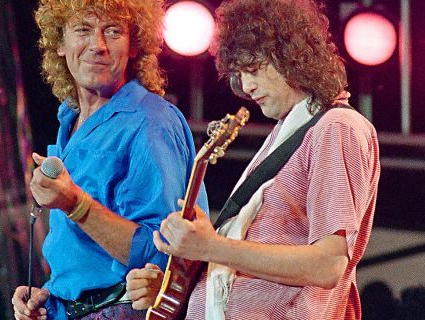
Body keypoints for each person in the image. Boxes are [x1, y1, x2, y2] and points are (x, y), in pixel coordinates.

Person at [125, 0, 380, 319]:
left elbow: (328, 265)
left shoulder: (335, 127)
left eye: (254, 69)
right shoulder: (287, 133)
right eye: (239, 74)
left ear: (292, 56)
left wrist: (211, 247)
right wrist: (173, 286)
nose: (247, 87)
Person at [11, 0, 208, 319]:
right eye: (83, 30)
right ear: (59, 43)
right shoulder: (70, 118)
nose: (98, 45)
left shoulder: (150, 122)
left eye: (113, 31)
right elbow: (87, 261)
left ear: (134, 46)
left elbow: (170, 256)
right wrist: (51, 296)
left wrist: (75, 203)